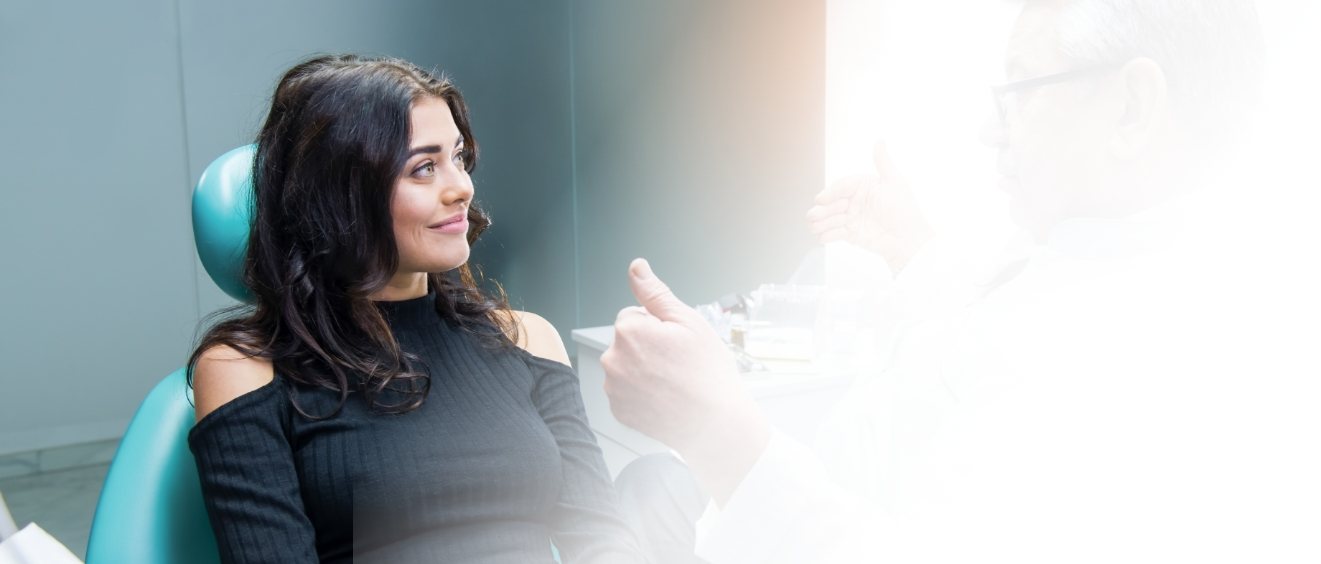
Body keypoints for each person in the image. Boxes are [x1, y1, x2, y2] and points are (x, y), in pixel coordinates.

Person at [603, 0, 1320, 562]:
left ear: (1131, 108)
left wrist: (721, 437)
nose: (990, 131)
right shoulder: (1088, 244)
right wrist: (913, 253)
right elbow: (992, 338)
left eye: (1020, 92)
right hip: (823, 488)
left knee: (645, 495)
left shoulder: (1169, 366)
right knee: (650, 486)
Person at [187, 54, 646, 564]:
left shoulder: (527, 340)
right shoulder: (246, 370)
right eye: (424, 168)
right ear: (339, 195)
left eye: (458, 158)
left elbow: (601, 537)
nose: (461, 188)